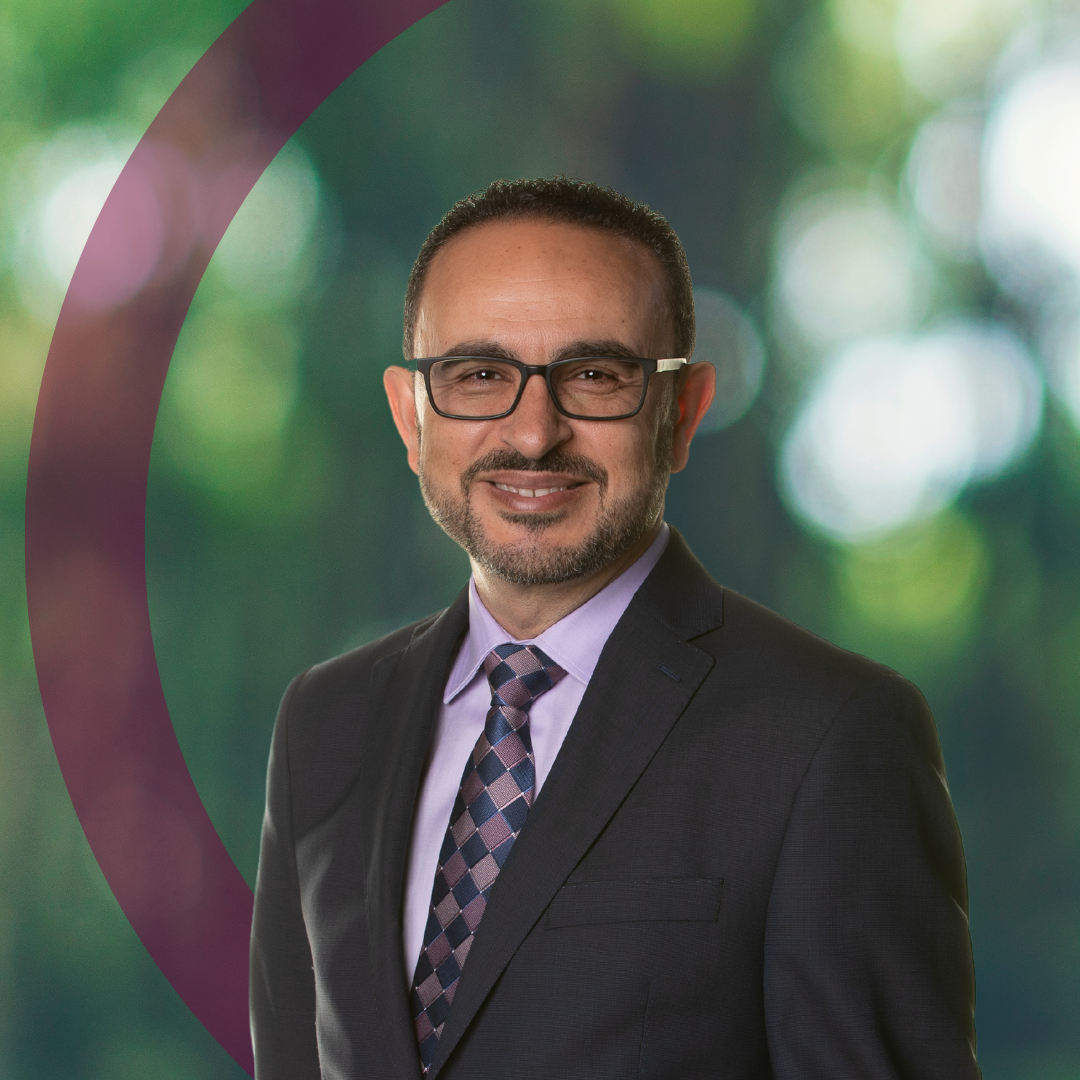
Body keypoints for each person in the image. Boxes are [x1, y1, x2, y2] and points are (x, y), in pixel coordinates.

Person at [250, 177, 979, 1080]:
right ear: (412, 417)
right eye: (480, 375)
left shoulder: (831, 735)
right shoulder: (323, 725)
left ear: (683, 412)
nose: (533, 433)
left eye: (595, 376)